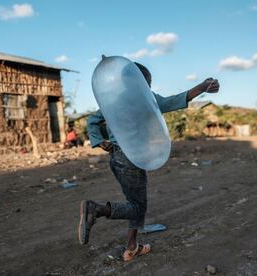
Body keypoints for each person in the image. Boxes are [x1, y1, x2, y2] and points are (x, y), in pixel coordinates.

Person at [78, 62, 220, 261]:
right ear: (136, 83)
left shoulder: (114, 100)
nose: (148, 88)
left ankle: (131, 247)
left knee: (137, 203)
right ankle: (97, 209)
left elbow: (92, 120)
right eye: (147, 84)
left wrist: (99, 141)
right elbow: (174, 101)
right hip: (132, 156)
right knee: (137, 206)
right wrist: (202, 87)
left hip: (117, 157)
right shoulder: (148, 100)